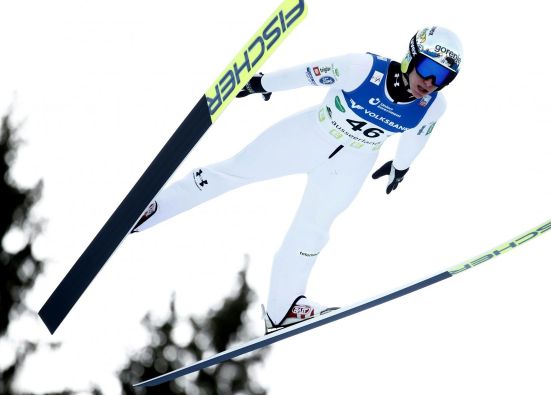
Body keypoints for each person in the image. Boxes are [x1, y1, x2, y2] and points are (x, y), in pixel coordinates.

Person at [131, 26, 463, 333]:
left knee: (314, 230)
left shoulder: (433, 106)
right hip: (309, 136)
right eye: (428, 69)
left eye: (443, 77)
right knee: (234, 171)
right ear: (410, 57)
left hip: (352, 164)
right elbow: (309, 74)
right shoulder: (362, 68)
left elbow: (419, 136)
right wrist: (262, 83)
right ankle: (152, 209)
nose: (431, 81)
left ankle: (283, 309)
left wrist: (401, 167)